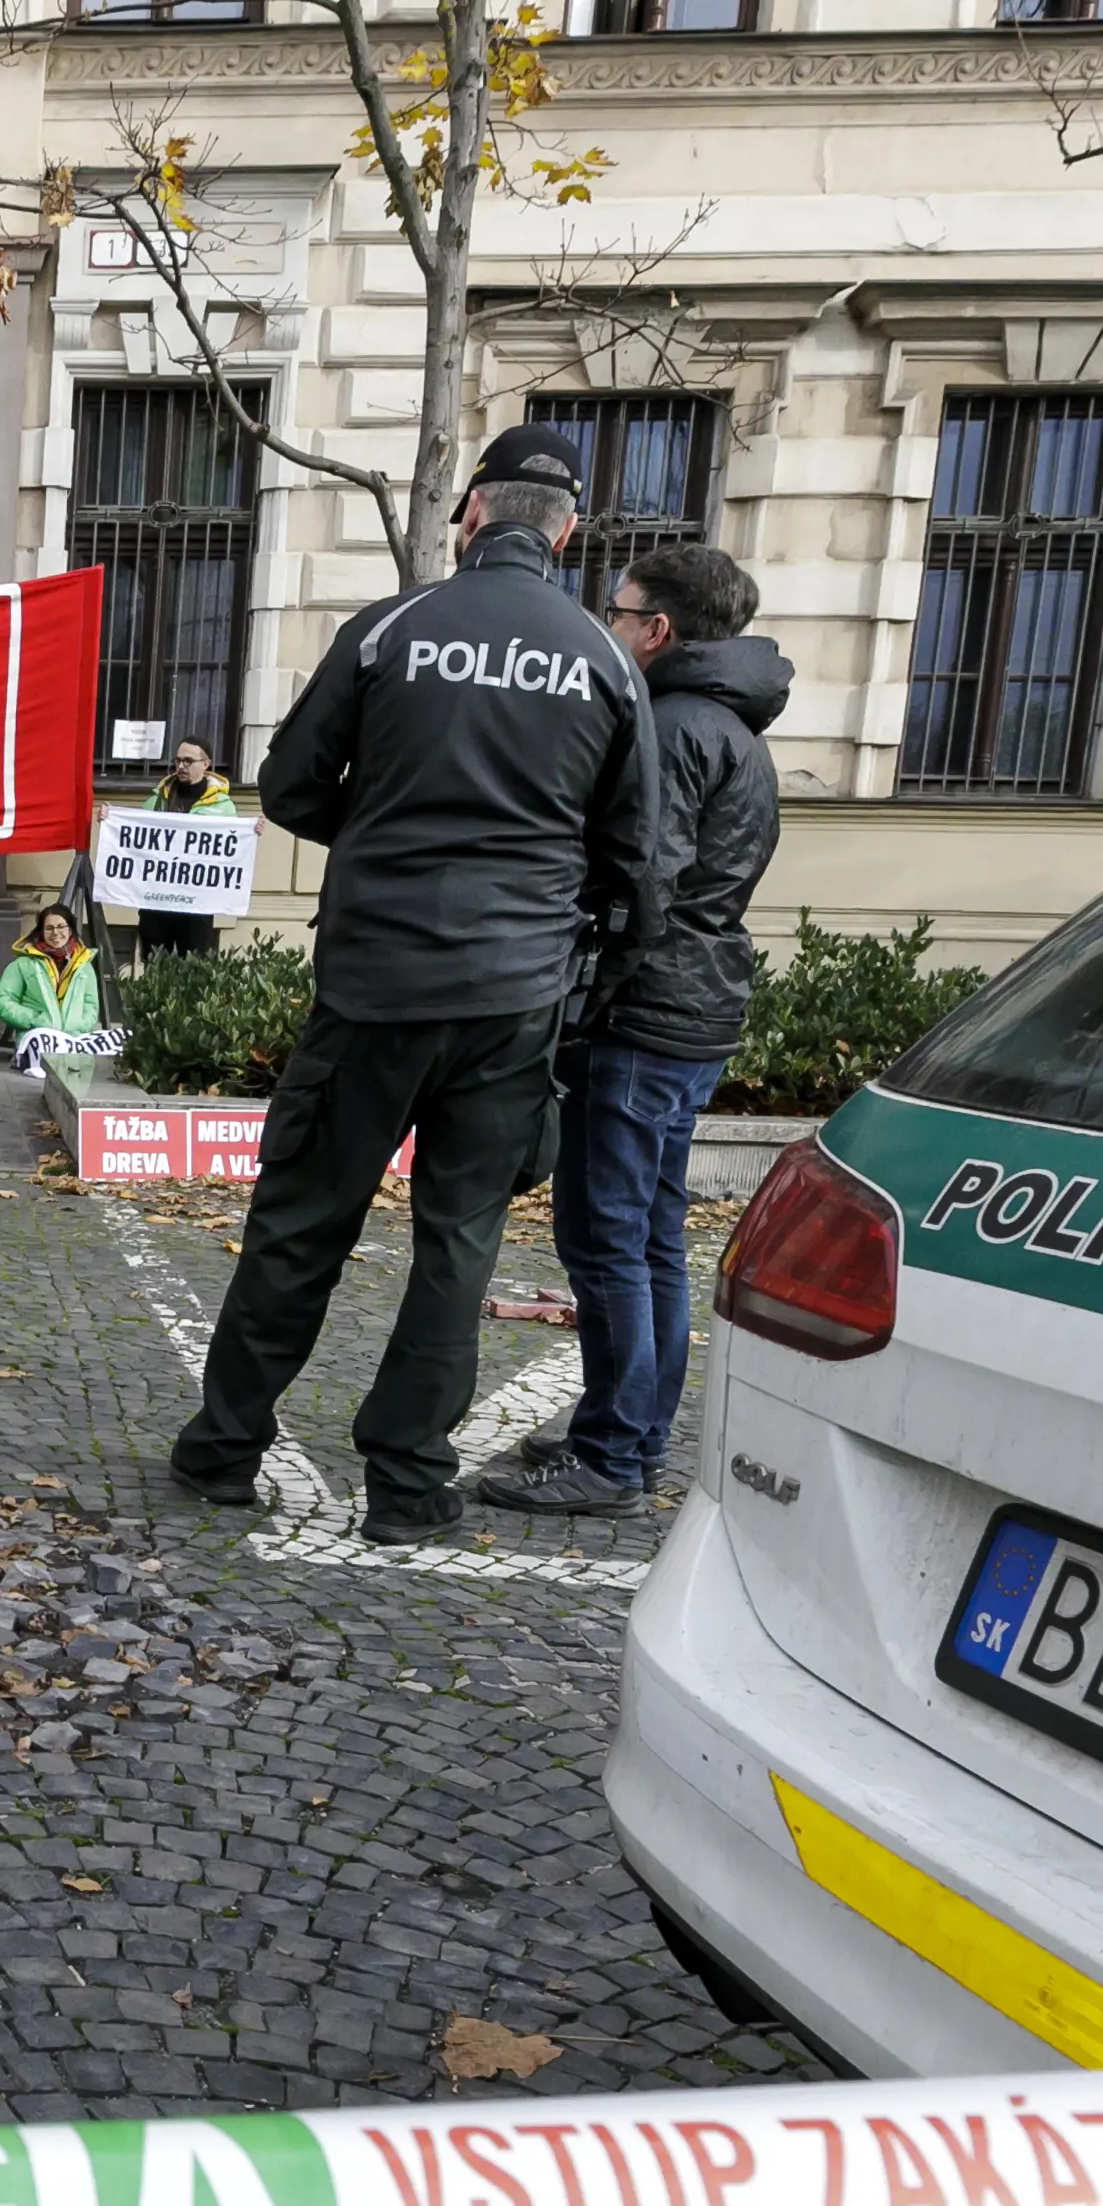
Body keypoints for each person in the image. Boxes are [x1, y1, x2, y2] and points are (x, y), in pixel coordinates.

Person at [165, 422, 660, 1543]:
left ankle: (224, 1446)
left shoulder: (392, 629)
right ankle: (405, 1483)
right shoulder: (602, 660)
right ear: (568, 530)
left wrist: (379, 834)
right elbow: (640, 866)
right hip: (511, 996)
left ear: (471, 510)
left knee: (300, 1222)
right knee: (458, 1244)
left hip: (375, 986)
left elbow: (289, 785)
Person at [485, 539, 787, 1517]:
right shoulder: (729, 725)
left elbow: (635, 882)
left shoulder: (672, 725)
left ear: (655, 630)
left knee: (609, 1237)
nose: (606, 625)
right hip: (687, 1010)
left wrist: (582, 985)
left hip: (642, 1014)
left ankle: (613, 1455)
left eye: (617, 612)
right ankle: (627, 1430)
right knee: (648, 1235)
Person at [128, 739, 239, 960]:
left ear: (206, 764)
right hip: (157, 903)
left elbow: (231, 849)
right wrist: (111, 818)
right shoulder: (157, 799)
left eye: (188, 761)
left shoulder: (223, 806)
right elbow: (136, 837)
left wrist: (252, 830)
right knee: (155, 972)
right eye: (178, 760)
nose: (180, 766)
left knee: (195, 972)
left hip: (197, 906)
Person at [0, 903, 109, 1073]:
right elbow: (3, 1002)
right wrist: (34, 1019)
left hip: (72, 1039)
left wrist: (79, 1024)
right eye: (49, 928)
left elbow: (91, 1005)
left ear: (70, 929)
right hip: (37, 1037)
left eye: (61, 926)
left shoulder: (84, 966)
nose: (55, 933)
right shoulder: (23, 964)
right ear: (41, 931)